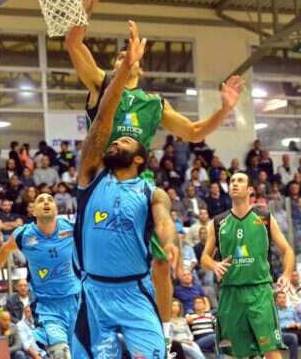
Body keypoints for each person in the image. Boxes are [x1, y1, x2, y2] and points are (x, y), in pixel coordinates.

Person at [67, 0, 244, 336]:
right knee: (93, 264)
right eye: (119, 56)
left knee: (162, 263)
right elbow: (73, 43)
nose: (123, 59)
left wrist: (224, 110)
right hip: (100, 179)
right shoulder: (102, 84)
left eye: (127, 56)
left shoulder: (153, 103)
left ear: (139, 64)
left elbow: (194, 132)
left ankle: (163, 334)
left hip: (137, 184)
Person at [70, 21, 177, 358]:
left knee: (161, 264)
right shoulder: (90, 174)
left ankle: (166, 330)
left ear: (142, 157)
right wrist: (87, 5)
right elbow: (103, 117)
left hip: (134, 293)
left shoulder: (150, 191)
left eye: (126, 140)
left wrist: (169, 242)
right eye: (116, 139)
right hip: (94, 294)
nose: (117, 140)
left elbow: (164, 217)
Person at [201, 170, 295, 358]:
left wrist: (286, 274)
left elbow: (287, 250)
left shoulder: (264, 218)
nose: (234, 184)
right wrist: (215, 265)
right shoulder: (218, 222)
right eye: (232, 181)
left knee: (271, 350)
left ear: (250, 190)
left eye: (240, 181)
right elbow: (204, 258)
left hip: (259, 291)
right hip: (231, 293)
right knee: (238, 354)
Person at [0, 193, 80, 359]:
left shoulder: (71, 228)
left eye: (50, 200)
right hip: (46, 305)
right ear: (33, 212)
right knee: (60, 353)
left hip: (76, 300)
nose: (46, 202)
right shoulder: (24, 235)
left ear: (56, 209)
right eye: (41, 200)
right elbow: (5, 249)